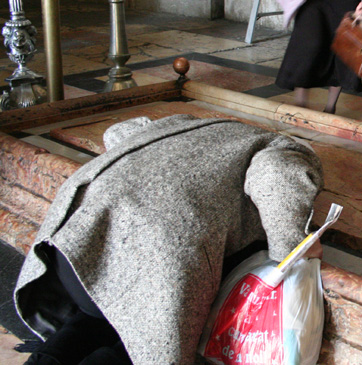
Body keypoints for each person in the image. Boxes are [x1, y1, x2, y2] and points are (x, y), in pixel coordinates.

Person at [15, 115, 324, 364]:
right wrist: (293, 245)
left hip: (73, 240)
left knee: (103, 310)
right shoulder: (284, 147)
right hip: (153, 248)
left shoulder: (185, 121)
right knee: (144, 337)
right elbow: (275, 173)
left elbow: (119, 131)